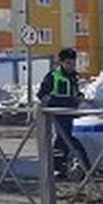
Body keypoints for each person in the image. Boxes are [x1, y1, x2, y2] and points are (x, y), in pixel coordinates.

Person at [37, 47, 84, 177]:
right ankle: (57, 166)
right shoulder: (53, 76)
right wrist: (52, 103)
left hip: (70, 113)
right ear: (61, 62)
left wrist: (79, 96)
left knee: (67, 139)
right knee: (61, 140)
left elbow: (74, 91)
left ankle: (63, 165)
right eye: (68, 63)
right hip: (57, 114)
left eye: (73, 63)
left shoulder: (74, 77)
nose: (71, 66)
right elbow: (42, 94)